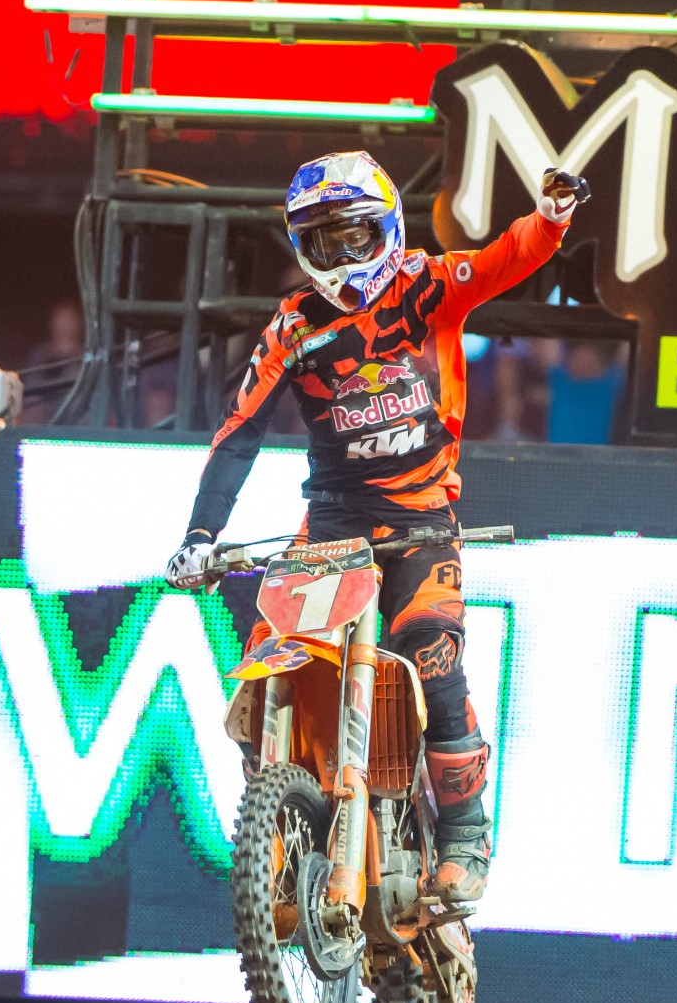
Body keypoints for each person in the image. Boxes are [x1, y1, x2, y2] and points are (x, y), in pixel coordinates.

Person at [164, 151, 589, 908]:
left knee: (431, 651)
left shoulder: (426, 286)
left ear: (387, 227)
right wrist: (200, 534)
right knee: (268, 662)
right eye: (321, 243)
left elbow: (502, 259)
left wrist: (550, 219)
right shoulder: (293, 325)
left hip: (422, 517)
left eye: (354, 236)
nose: (340, 257)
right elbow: (239, 431)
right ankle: (279, 834)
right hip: (333, 521)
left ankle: (464, 835)